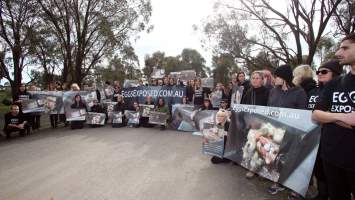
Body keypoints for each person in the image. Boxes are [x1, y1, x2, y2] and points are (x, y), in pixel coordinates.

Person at [312, 33, 355, 200]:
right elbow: (316, 114)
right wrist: (343, 117)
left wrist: (329, 117)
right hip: (331, 157)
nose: (338, 53)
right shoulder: (335, 83)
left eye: (345, 48)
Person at [267, 64, 307, 195]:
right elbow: (268, 109)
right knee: (275, 158)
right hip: (275, 131)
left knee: (290, 160)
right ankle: (276, 182)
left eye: (277, 76)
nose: (274, 79)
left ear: (284, 78)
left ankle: (293, 187)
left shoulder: (299, 92)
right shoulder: (273, 91)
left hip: (292, 134)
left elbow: (303, 115)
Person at [305, 60, 342, 200]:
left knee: (333, 173)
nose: (320, 74)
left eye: (324, 71)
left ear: (336, 73)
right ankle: (322, 194)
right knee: (318, 167)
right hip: (312, 134)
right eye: (318, 72)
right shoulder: (313, 91)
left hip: (332, 136)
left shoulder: (339, 91)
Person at [240, 71, 270, 179]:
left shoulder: (268, 92)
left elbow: (270, 109)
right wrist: (247, 121)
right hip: (251, 125)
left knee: (261, 148)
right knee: (251, 147)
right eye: (253, 78)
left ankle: (258, 169)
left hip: (264, 125)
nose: (255, 80)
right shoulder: (248, 92)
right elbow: (242, 108)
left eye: (257, 78)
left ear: (262, 80)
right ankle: (252, 167)